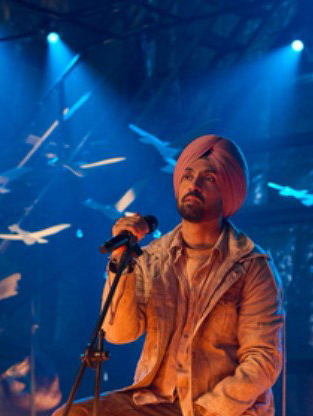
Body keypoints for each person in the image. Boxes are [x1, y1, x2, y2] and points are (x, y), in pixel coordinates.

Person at [54, 135, 284, 416]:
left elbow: (262, 359)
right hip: (155, 403)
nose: (193, 185)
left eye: (208, 179)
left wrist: (208, 410)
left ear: (227, 190)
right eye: (187, 176)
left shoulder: (251, 266)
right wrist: (121, 259)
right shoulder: (152, 257)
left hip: (223, 408)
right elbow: (118, 334)